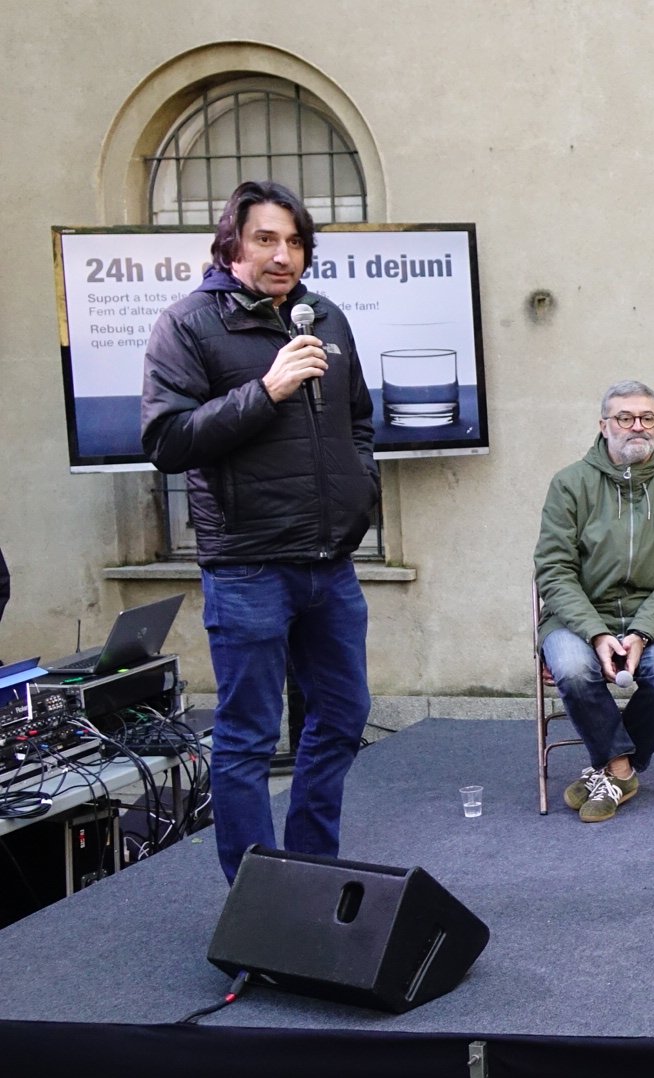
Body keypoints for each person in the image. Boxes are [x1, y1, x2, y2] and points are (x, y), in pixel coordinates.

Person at [141, 180, 378, 883]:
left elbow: (357, 420)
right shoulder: (187, 324)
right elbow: (167, 439)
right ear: (232, 245)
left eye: (295, 241)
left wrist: (361, 490)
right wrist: (265, 391)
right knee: (246, 740)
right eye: (266, 239)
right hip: (248, 566)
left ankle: (308, 873)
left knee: (340, 717)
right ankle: (257, 901)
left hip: (330, 563)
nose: (283, 255)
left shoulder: (325, 317)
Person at [535, 381, 654, 823]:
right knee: (572, 669)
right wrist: (596, 633)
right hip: (576, 618)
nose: (638, 427)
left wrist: (643, 633)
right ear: (604, 425)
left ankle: (608, 773)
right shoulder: (569, 484)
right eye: (625, 418)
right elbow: (553, 571)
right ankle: (622, 769)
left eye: (648, 418)